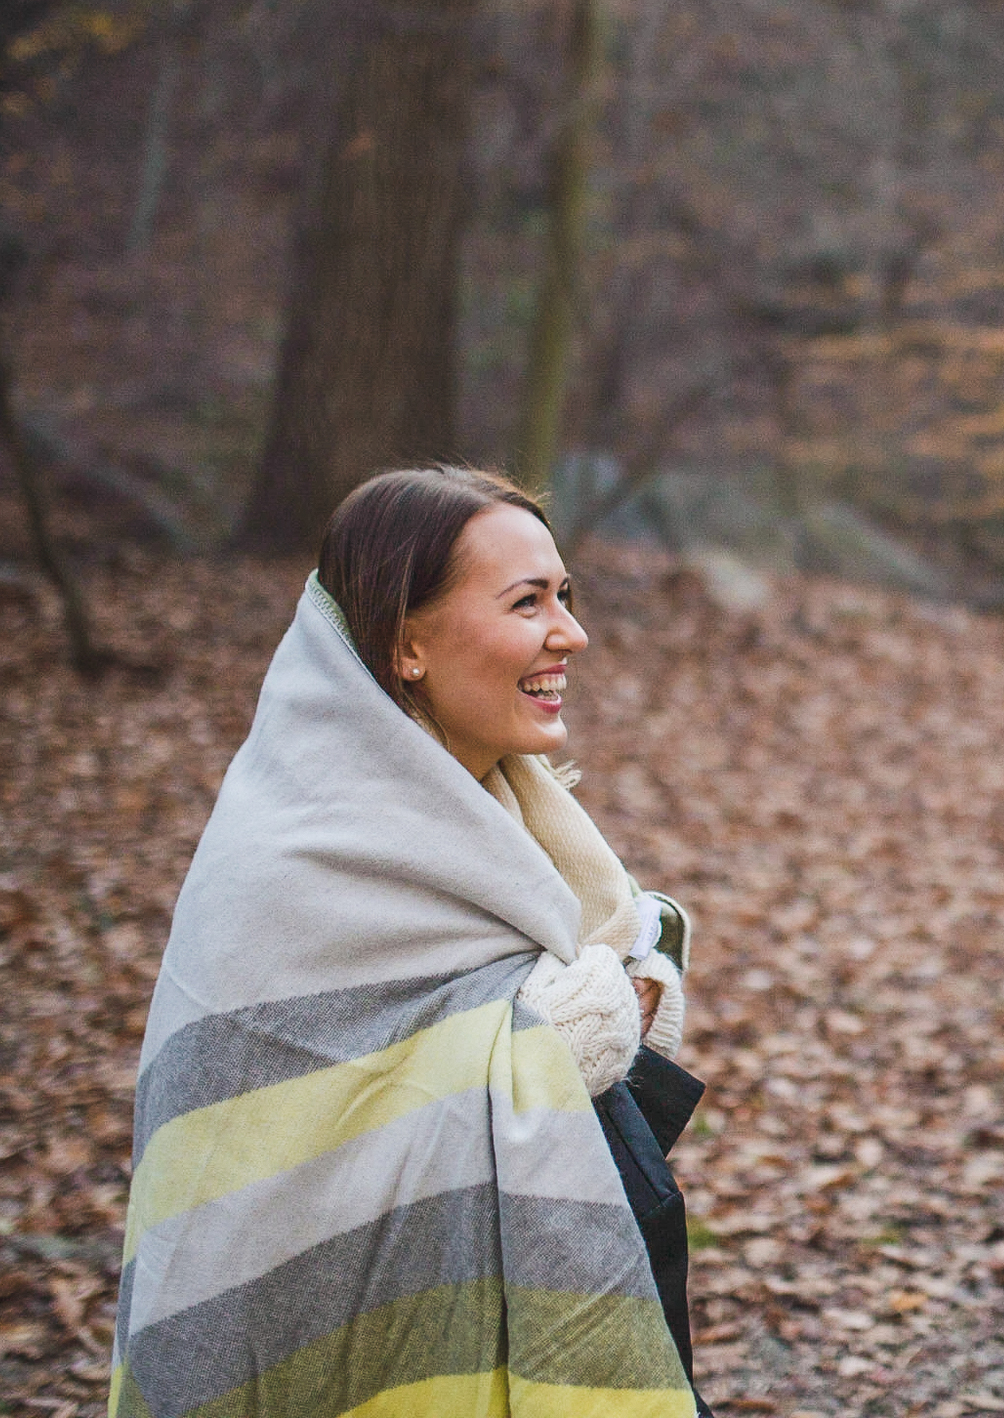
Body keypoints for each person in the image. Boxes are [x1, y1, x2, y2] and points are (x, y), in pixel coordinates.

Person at [112, 467, 701, 1418]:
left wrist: (630, 970)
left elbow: (596, 953)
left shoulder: (510, 808)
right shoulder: (296, 852)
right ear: (406, 642)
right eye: (528, 602)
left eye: (566, 596)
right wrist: (572, 1024)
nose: (572, 633)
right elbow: (289, 1141)